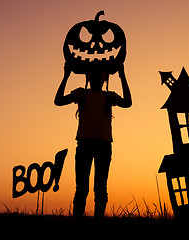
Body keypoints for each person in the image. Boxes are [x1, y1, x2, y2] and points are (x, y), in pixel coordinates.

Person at [54, 63, 132, 218]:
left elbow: (128, 103)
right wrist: (66, 76)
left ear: (104, 78)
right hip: (89, 144)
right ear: (89, 77)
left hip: (97, 144)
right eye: (93, 74)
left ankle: (93, 224)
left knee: (96, 187)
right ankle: (84, 223)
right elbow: (58, 101)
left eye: (100, 74)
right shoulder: (83, 94)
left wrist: (123, 76)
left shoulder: (106, 96)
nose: (97, 77)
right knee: (86, 188)